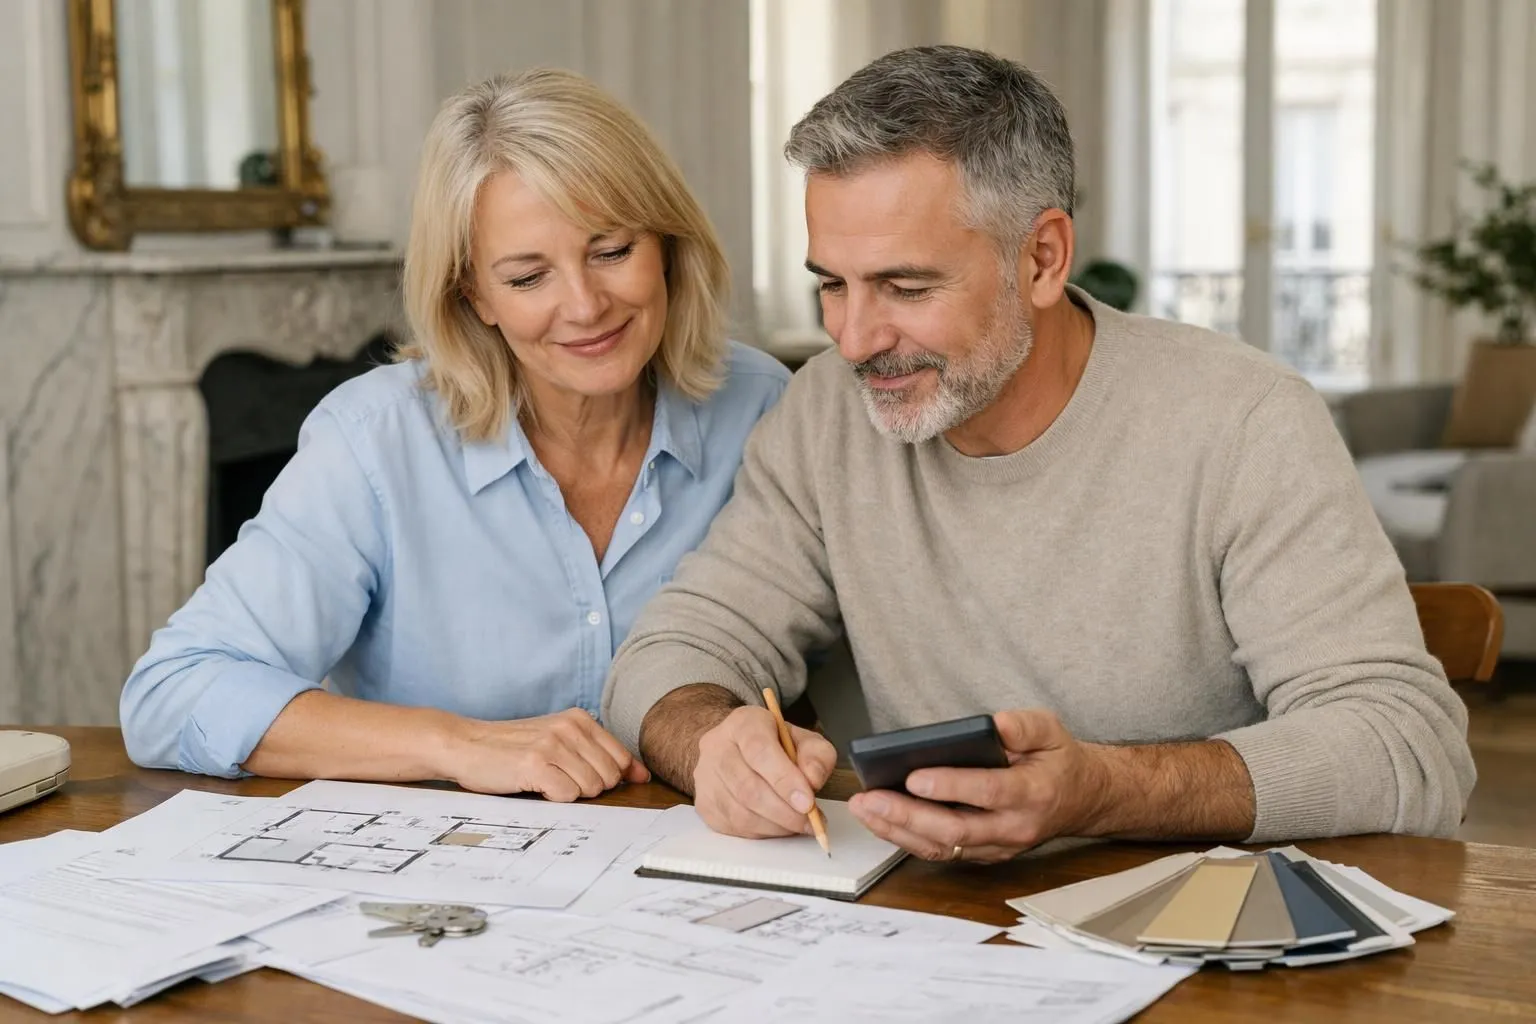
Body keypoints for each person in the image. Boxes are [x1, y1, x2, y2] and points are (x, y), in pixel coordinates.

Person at [602, 45, 1475, 858]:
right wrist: (714, 740)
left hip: (1215, 951)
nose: (856, 337)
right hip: (943, 935)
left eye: (906, 286)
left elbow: (1407, 743)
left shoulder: (1244, 421)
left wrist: (1104, 790)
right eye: (832, 283)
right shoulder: (827, 413)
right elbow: (668, 655)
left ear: (1044, 258)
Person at [120, 68, 790, 799]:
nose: (585, 305)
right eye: (528, 277)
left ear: (666, 243)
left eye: (611, 251)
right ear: (475, 295)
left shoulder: (763, 410)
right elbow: (172, 692)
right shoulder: (374, 443)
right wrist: (455, 744)